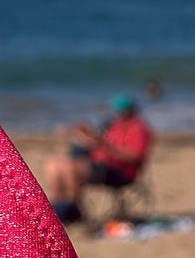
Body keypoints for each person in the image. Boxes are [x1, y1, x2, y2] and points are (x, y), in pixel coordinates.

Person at [45, 94, 154, 222]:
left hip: (119, 171)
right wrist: (86, 134)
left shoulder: (138, 128)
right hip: (98, 163)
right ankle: (59, 204)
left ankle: (70, 206)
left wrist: (107, 147)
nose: (118, 114)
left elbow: (134, 156)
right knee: (54, 164)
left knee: (70, 168)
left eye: (121, 111)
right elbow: (97, 144)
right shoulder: (112, 125)